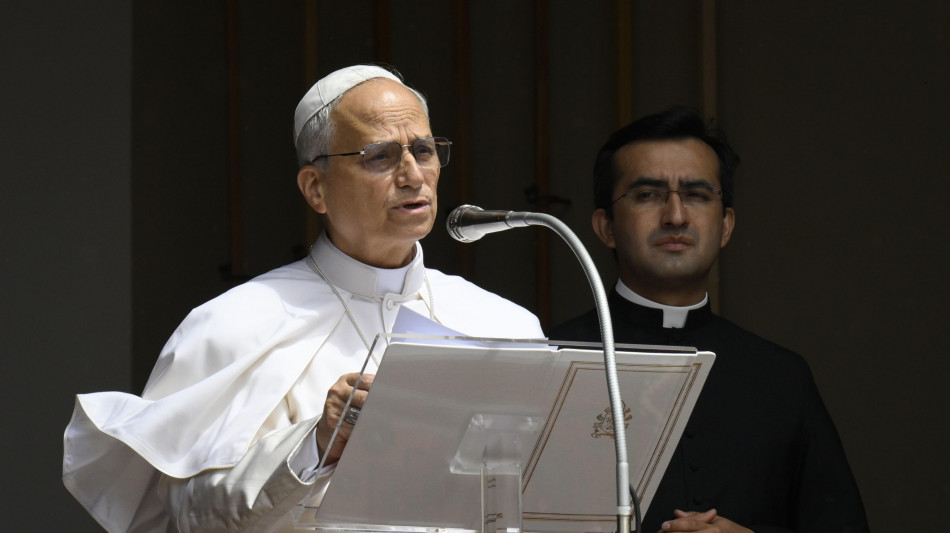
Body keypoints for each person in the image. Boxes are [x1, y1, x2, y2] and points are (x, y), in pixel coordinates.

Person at [63, 64, 544, 533]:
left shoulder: (504, 325)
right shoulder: (234, 323)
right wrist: (314, 445)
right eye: (380, 155)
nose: (413, 175)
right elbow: (187, 514)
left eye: (423, 150)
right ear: (316, 189)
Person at [551, 107, 868, 533]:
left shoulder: (781, 378)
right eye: (648, 195)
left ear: (726, 226)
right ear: (605, 226)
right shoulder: (549, 360)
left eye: (698, 195)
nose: (676, 216)